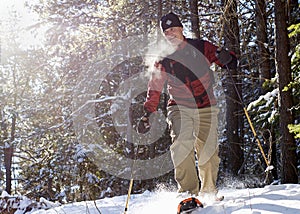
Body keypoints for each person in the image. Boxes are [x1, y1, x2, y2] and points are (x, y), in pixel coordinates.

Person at [139, 12, 237, 199]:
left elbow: (223, 59)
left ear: (181, 29)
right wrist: (148, 113)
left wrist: (228, 58)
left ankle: (208, 192)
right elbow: (155, 87)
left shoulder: (200, 47)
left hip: (206, 105)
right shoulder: (163, 59)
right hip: (179, 106)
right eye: (166, 32)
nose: (170, 34)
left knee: (208, 149)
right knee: (181, 143)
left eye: (173, 29)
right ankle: (187, 192)